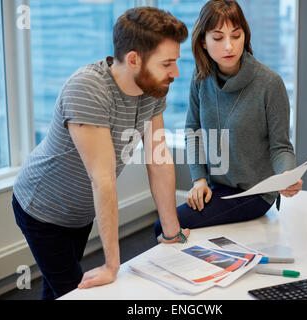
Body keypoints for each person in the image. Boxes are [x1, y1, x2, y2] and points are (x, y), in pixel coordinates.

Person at [12, 7, 190, 300]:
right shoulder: (88, 89)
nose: (176, 73)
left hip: (80, 212)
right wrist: (111, 265)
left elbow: (158, 160)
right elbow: (102, 179)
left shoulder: (153, 87)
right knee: (77, 293)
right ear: (134, 59)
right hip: (42, 207)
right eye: (167, 63)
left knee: (59, 291)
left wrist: (172, 234)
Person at [154, 0, 303, 237]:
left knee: (165, 225)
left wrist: (286, 175)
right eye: (218, 38)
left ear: (245, 35)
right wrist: (198, 179)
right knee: (166, 223)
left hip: (254, 193)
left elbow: (281, 146)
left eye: (236, 35)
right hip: (216, 188)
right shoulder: (200, 78)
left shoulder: (270, 83)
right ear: (203, 41)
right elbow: (193, 130)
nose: (228, 46)